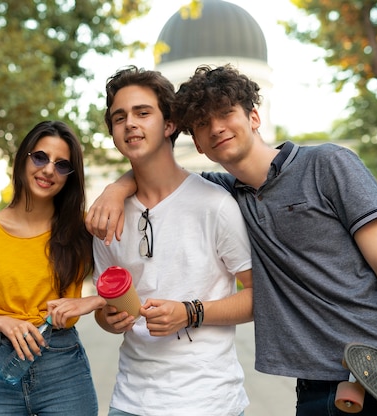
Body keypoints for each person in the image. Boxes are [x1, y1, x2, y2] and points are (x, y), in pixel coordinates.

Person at [87, 64, 377, 415]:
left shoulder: (328, 165)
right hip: (313, 387)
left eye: (226, 113)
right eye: (203, 124)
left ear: (254, 117)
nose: (217, 128)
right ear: (195, 142)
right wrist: (116, 189)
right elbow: (158, 175)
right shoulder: (226, 193)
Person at [91, 65, 253, 416]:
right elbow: (106, 312)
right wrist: (110, 318)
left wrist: (190, 312)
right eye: (119, 117)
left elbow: (260, 299)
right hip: (130, 402)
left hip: (208, 402)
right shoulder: (109, 216)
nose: (130, 123)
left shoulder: (215, 204)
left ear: (169, 125)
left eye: (142, 113)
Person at [0, 120, 101, 416]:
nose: (48, 170)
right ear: (23, 159)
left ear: (70, 175)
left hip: (63, 367)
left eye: (62, 164)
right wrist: (2, 321)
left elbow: (130, 284)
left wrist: (91, 301)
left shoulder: (83, 228)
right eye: (40, 157)